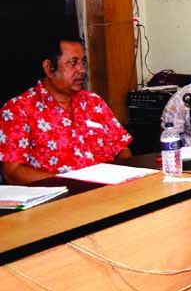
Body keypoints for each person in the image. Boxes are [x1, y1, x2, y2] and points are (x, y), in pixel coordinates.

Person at [0, 35, 132, 184]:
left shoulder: (93, 102)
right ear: (49, 67)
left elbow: (122, 149)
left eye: (83, 62)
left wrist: (121, 178)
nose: (81, 70)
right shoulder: (18, 110)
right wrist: (69, 183)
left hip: (109, 193)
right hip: (58, 199)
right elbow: (13, 172)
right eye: (73, 63)